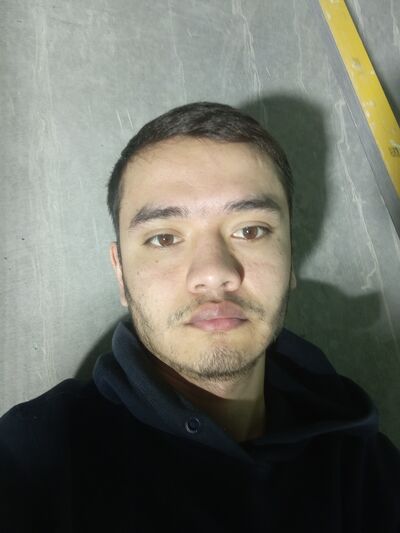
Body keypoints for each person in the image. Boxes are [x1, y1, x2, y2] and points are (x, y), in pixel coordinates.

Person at [1, 102, 399, 532]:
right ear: (121, 273)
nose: (213, 272)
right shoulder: (36, 458)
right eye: (164, 238)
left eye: (250, 230)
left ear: (289, 258)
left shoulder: (366, 466)